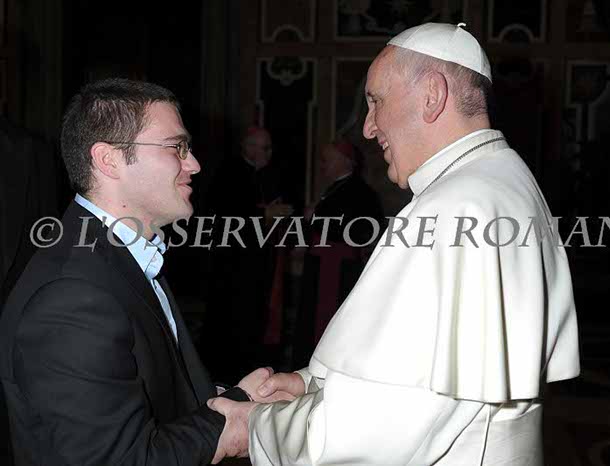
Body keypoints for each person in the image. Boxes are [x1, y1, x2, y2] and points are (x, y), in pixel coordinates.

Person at [208, 22, 581, 465]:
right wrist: (313, 384)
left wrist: (255, 426)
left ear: (432, 95)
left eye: (376, 101)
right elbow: (421, 369)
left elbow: (381, 425)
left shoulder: (453, 207)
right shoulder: (506, 179)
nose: (368, 128)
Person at [0, 78, 272, 465]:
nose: (193, 164)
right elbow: (118, 458)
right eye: (176, 147)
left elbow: (158, 395)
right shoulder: (71, 296)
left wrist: (238, 401)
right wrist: (225, 429)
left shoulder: (121, 256)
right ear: (108, 160)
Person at [203, 125, 294, 381]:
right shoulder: (229, 172)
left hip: (259, 262)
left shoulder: (266, 174)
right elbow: (224, 215)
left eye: (269, 148)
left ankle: (252, 371)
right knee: (232, 321)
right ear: (247, 147)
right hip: (233, 265)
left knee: (256, 319)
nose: (268, 153)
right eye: (264, 147)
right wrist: (265, 214)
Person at [293, 139, 383, 366]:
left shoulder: (360, 192)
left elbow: (363, 229)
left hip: (337, 269)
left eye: (327, 160)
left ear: (345, 161)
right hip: (322, 264)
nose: (322, 165)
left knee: (329, 323)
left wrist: (315, 217)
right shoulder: (337, 187)